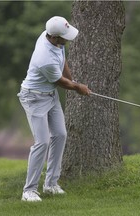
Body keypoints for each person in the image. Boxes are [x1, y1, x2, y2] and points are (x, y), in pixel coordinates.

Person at [18, 16, 91, 202]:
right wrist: (77, 87)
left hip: (50, 95)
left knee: (60, 134)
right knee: (42, 142)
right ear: (55, 37)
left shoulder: (51, 37)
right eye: (65, 36)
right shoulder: (45, 59)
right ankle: (29, 191)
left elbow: (63, 60)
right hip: (33, 98)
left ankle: (51, 184)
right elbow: (60, 82)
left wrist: (74, 81)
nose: (68, 39)